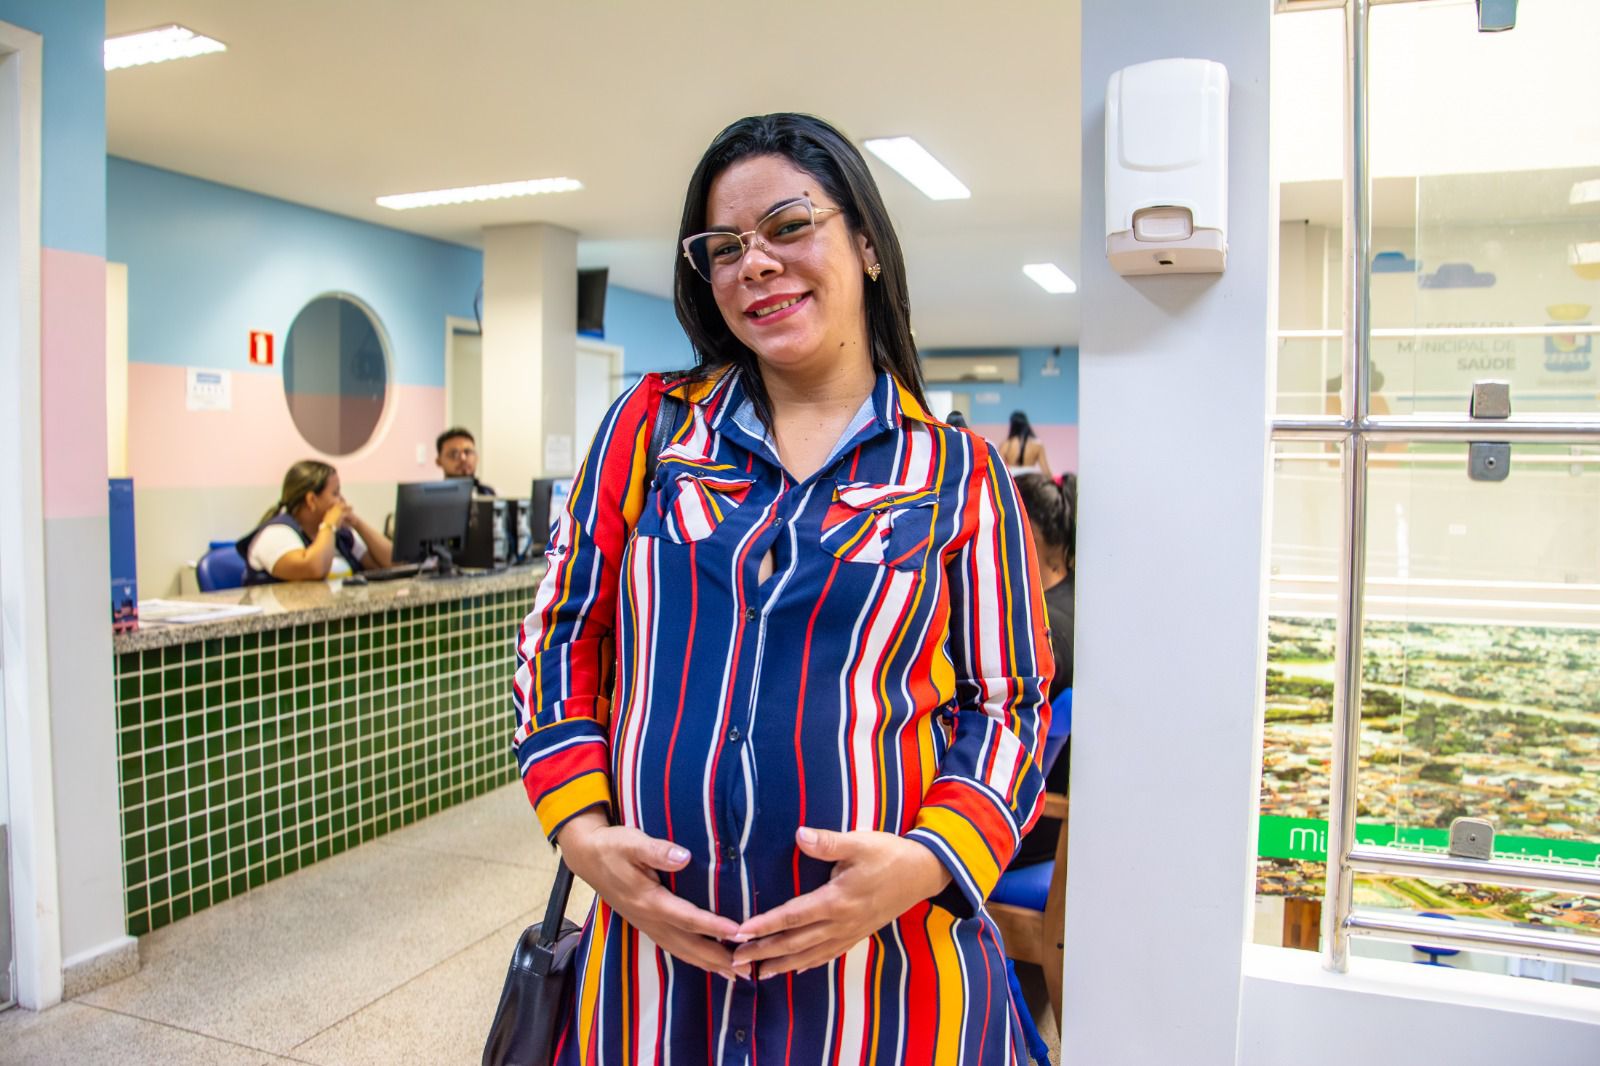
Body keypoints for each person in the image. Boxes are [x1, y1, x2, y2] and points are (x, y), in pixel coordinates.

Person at [512, 113, 1053, 1064]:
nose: (754, 263)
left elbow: (1010, 704)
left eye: (789, 226)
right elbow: (561, 634)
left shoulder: (958, 474)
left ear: (868, 246)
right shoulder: (650, 431)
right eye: (724, 248)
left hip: (888, 982)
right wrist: (583, 833)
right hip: (653, 974)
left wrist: (926, 862)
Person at [1010, 472, 1076, 868]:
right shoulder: (1078, 600)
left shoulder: (1040, 627)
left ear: (1025, 533)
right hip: (1055, 828)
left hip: (1024, 835)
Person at [237, 460, 393, 584]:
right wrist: (328, 525)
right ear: (311, 500)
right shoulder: (276, 534)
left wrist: (358, 524)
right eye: (335, 493)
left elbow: (392, 564)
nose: (342, 500)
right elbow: (315, 569)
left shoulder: (341, 536)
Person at [436, 426, 496, 495]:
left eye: (468, 452)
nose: (463, 458)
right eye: (454, 454)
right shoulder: (432, 497)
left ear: (477, 458)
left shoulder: (488, 493)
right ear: (439, 461)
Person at [999, 409, 1053, 479]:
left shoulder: (1005, 445)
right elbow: (1046, 472)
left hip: (1013, 480)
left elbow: (999, 470)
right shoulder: (1037, 445)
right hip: (1031, 481)